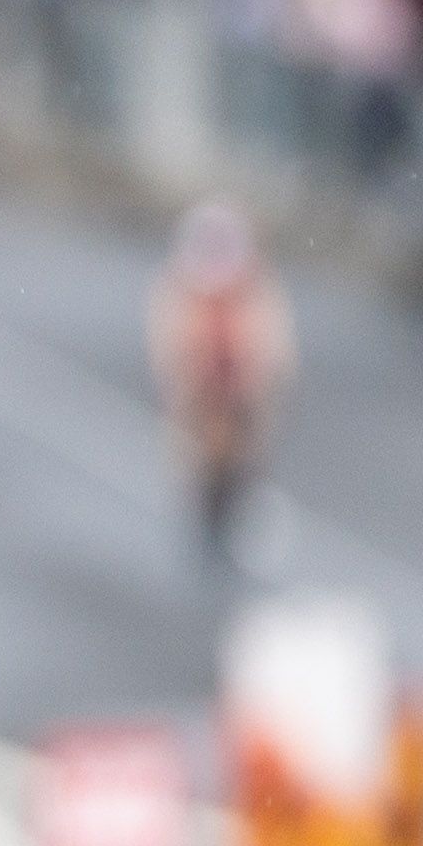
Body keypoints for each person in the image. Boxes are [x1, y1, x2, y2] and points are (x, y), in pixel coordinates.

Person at [146, 200, 296, 576]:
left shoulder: (254, 291)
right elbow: (170, 339)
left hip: (238, 391)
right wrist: (185, 379)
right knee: (201, 462)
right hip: (204, 389)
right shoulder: (185, 290)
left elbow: (270, 343)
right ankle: (206, 525)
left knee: (240, 463)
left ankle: (227, 524)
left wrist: (258, 382)